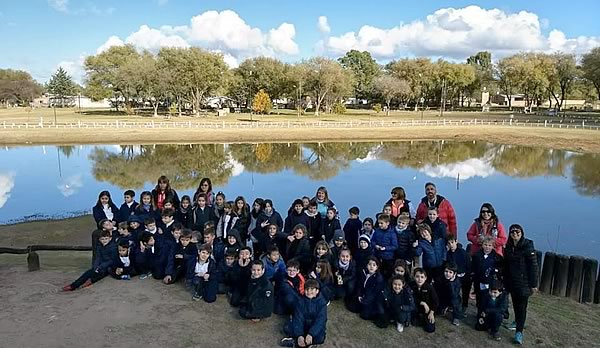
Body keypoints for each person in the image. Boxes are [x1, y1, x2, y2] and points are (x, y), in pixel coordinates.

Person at [503, 224, 539, 345]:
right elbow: (506, 264)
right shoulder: (509, 247)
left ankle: (519, 332)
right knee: (515, 303)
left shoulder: (528, 246)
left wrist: (534, 284)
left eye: (517, 232)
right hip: (513, 282)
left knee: (522, 307)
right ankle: (517, 322)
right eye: (512, 232)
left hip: (524, 283)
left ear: (522, 232)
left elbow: (533, 267)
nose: (515, 234)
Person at [280, 279, 328, 348]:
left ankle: (296, 342)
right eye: (307, 289)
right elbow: (298, 318)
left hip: (313, 326)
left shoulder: (322, 303)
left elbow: (320, 320)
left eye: (312, 289)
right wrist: (299, 335)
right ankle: (302, 341)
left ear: (317, 291)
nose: (309, 291)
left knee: (320, 338)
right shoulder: (300, 301)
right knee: (287, 328)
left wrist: (311, 334)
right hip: (303, 324)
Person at [472, 236, 503, 320]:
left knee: (489, 299)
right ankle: (479, 314)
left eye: (489, 245)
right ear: (482, 245)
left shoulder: (497, 257)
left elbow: (500, 270)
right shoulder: (477, 255)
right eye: (485, 245)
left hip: (490, 282)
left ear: (493, 246)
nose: (487, 247)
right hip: (479, 281)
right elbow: (474, 267)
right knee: (479, 298)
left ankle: (488, 315)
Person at [355, 256, 385, 321]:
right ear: (366, 265)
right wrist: (359, 295)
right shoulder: (364, 272)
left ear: (377, 267)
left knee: (364, 315)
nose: (371, 266)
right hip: (363, 293)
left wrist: (364, 299)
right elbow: (360, 285)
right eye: (369, 264)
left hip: (373, 298)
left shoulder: (378, 278)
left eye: (374, 265)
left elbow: (374, 293)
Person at [411, 268, 438, 333]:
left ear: (425, 278)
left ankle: (424, 319)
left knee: (430, 329)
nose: (420, 279)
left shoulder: (429, 287)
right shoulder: (411, 285)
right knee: (414, 323)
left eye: (422, 277)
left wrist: (432, 312)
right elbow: (411, 298)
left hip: (428, 309)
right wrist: (422, 303)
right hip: (416, 307)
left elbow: (435, 301)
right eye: (417, 276)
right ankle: (418, 317)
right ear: (414, 277)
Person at [436, 261, 463, 326]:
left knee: (455, 302)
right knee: (439, 311)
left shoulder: (457, 281)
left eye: (450, 272)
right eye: (446, 271)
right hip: (443, 297)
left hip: (453, 298)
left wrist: (451, 283)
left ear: (454, 274)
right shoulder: (440, 278)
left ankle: (456, 317)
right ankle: (444, 308)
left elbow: (454, 295)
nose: (447, 274)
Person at [371, 214, 397, 278]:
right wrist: (375, 246)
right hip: (378, 256)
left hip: (388, 258)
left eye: (381, 223)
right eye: (379, 223)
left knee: (388, 274)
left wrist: (385, 248)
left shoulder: (392, 233)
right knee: (378, 273)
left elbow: (395, 246)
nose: (379, 225)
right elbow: (372, 241)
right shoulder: (377, 231)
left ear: (387, 223)